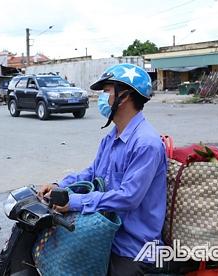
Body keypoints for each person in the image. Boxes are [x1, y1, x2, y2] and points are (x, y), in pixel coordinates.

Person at [39, 63, 167, 276]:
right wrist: (60, 185)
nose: (102, 97)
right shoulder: (112, 137)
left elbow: (129, 198)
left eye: (107, 91)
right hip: (104, 233)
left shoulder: (146, 143)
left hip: (133, 247)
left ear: (123, 97)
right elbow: (92, 173)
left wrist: (75, 202)